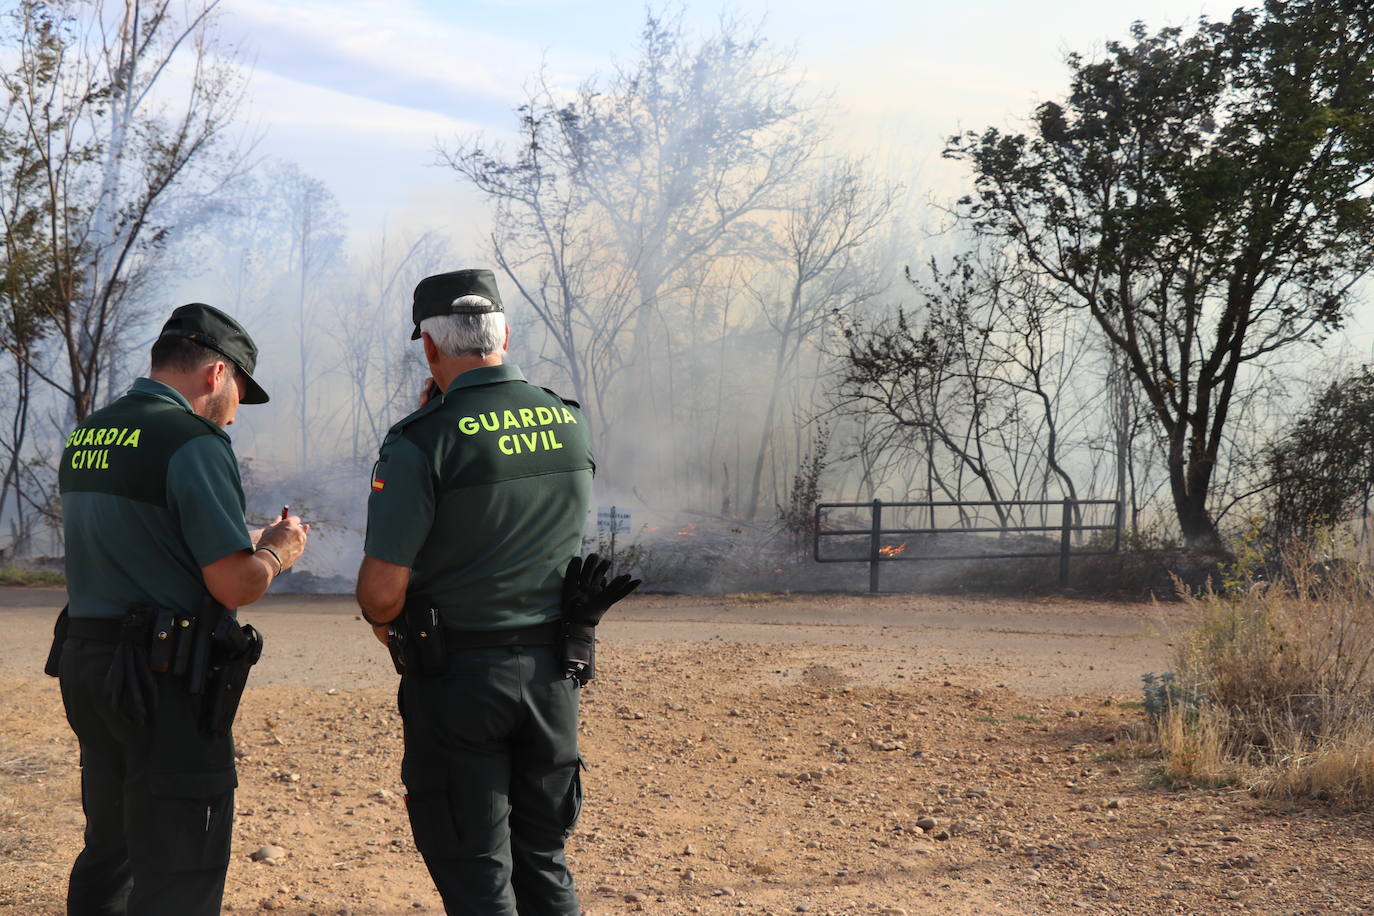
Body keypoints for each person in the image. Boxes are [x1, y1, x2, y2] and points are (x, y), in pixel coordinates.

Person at [53, 303, 309, 916]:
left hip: (90, 666)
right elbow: (232, 585)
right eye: (241, 391)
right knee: (182, 865)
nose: (237, 410)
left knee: (110, 850)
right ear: (216, 374)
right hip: (161, 681)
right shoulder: (193, 442)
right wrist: (277, 551)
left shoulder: (91, 431)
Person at [355, 269, 596, 915]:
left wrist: (386, 620)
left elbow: (381, 594)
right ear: (505, 335)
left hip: (460, 681)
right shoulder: (568, 423)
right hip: (555, 677)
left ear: (429, 348)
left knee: (477, 874)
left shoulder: (421, 441)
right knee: (544, 860)